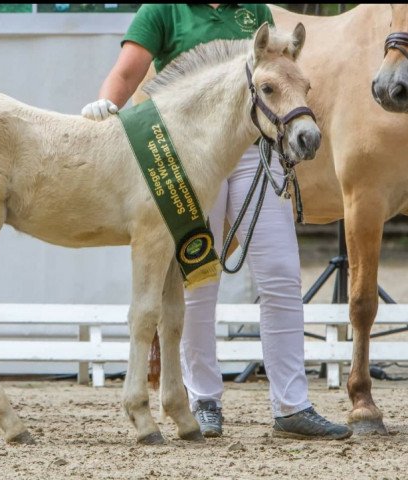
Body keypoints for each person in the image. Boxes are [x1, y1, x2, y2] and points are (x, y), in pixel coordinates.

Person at [82, 4, 352, 440]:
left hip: (254, 151)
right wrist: (103, 108)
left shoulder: (253, 10)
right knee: (199, 278)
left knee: (281, 276)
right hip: (188, 155)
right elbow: (129, 72)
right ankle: (202, 398)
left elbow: (278, 71)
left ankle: (292, 405)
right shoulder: (163, 10)